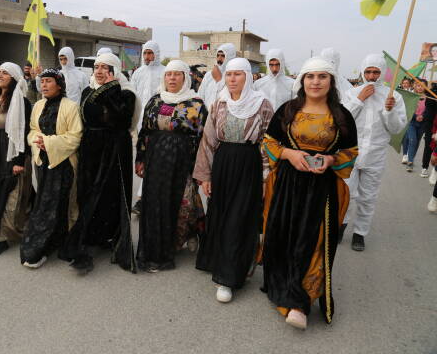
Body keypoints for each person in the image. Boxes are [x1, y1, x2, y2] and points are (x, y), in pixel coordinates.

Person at [259, 57, 358, 329]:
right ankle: (281, 285)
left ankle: (299, 303)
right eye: (310, 76)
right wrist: (289, 154)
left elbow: (350, 152)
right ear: (302, 81)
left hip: (321, 190)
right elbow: (269, 141)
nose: (316, 82)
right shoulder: (288, 110)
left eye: (322, 76)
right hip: (287, 186)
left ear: (331, 81)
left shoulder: (342, 116)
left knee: (312, 241)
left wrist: (331, 159)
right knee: (284, 237)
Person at [194, 58, 273, 302]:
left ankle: (228, 278)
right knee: (220, 214)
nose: (232, 79)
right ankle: (218, 261)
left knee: (240, 218)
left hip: (249, 165)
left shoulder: (262, 104)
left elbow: (268, 143)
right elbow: (208, 139)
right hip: (223, 163)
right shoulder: (220, 102)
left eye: (238, 74)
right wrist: (205, 176)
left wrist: (265, 178)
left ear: (248, 77)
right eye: (229, 74)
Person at [59, 52, 138, 274]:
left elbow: (120, 119)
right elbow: (85, 118)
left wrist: (111, 89)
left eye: (105, 67)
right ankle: (90, 237)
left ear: (115, 70)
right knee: (87, 191)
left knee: (110, 193)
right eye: (97, 67)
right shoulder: (88, 90)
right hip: (91, 147)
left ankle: (111, 236)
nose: (100, 71)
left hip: (114, 148)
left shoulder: (125, 93)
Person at [135, 60, 207, 272]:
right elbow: (145, 131)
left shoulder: (196, 104)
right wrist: (140, 158)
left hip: (182, 162)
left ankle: (187, 233)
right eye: (169, 74)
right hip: (156, 160)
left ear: (185, 78)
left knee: (184, 202)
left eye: (177, 74)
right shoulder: (155, 100)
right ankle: (158, 248)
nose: (172, 78)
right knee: (155, 203)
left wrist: (200, 169)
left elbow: (203, 138)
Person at [342, 54, 407, 251]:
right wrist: (359, 100)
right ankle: (340, 225)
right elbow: (342, 121)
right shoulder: (351, 93)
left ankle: (360, 233)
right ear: (363, 72)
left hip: (376, 155)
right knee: (346, 193)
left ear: (382, 73)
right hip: (351, 153)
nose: (371, 76)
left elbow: (396, 128)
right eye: (368, 71)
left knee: (367, 197)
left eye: (376, 72)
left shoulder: (393, 97)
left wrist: (389, 111)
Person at [21, 69, 83, 268]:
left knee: (58, 203)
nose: (44, 85)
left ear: (59, 84)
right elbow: (33, 130)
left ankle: (46, 246)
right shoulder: (38, 105)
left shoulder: (71, 107)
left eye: (48, 81)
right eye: (42, 82)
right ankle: (48, 242)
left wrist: (48, 142)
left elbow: (75, 136)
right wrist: (38, 142)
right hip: (43, 161)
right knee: (45, 202)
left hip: (63, 163)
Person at [0, 62, 33, 258]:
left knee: (11, 191)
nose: (0, 75)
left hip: (13, 150)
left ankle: (5, 235)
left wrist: (19, 161)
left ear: (14, 78)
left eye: (5, 73)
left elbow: (23, 132)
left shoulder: (21, 101)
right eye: (0, 72)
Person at [130, 40, 166, 215]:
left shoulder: (165, 72)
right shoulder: (138, 73)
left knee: (154, 160)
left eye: (150, 53)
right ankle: (144, 198)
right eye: (145, 53)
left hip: (159, 125)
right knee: (144, 160)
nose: (147, 56)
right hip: (141, 125)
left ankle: (142, 198)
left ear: (156, 54)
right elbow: (133, 97)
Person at [198, 43, 237, 109]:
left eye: (223, 56)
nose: (219, 59)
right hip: (206, 113)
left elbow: (232, 97)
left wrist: (219, 80)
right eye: (218, 55)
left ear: (230, 57)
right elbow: (200, 95)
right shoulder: (209, 75)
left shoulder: (234, 76)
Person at [401, 79, 427, 172]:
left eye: (422, 86)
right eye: (418, 85)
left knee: (417, 142)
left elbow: (429, 111)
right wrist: (416, 116)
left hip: (423, 123)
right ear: (415, 86)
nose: (420, 88)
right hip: (411, 122)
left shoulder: (429, 98)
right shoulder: (411, 97)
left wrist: (423, 116)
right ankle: (410, 162)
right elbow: (407, 110)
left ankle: (411, 157)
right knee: (413, 140)